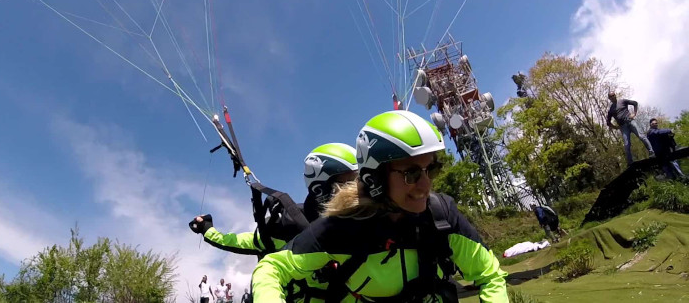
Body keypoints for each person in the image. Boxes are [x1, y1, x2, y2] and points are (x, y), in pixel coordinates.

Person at [252, 110, 508, 302]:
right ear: (375, 179)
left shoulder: (440, 214)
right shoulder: (343, 226)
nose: (425, 185)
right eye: (411, 174)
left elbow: (489, 275)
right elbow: (272, 268)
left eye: (431, 169)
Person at [189, 143, 359, 301]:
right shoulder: (284, 226)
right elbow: (237, 242)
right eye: (350, 182)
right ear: (320, 188)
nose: (360, 189)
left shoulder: (364, 222)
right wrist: (206, 228)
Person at [606, 91, 654, 165]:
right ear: (609, 98)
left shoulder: (622, 101)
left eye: (614, 95)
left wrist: (634, 113)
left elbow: (635, 103)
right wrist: (616, 127)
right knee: (627, 144)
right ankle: (630, 162)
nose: (613, 97)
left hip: (630, 121)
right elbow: (608, 122)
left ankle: (652, 152)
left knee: (641, 136)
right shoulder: (611, 109)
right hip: (623, 127)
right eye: (611, 96)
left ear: (615, 95)